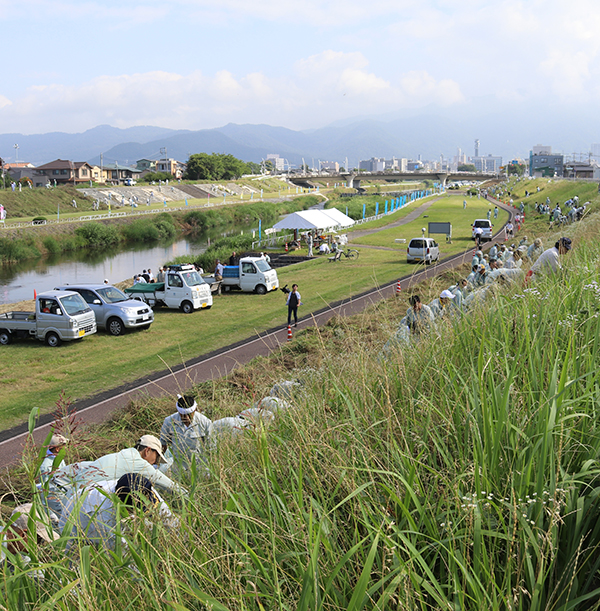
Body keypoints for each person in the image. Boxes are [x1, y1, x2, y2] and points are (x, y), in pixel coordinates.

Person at [49, 435, 188, 508]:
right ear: (147, 451)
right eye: (156, 458)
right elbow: (170, 486)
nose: (156, 463)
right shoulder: (138, 463)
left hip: (70, 498)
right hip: (84, 504)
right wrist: (190, 498)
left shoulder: (120, 456)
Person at [58, 473, 174, 551]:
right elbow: (122, 553)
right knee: (76, 569)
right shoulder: (105, 513)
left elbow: (169, 519)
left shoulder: (141, 486)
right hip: (74, 519)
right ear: (123, 506)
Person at [160, 395, 213, 473]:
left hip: (200, 467)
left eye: (189, 414)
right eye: (182, 415)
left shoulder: (205, 422)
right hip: (179, 468)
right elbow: (163, 444)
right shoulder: (169, 422)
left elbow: (211, 447)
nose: (186, 417)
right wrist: (157, 464)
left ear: (194, 410)